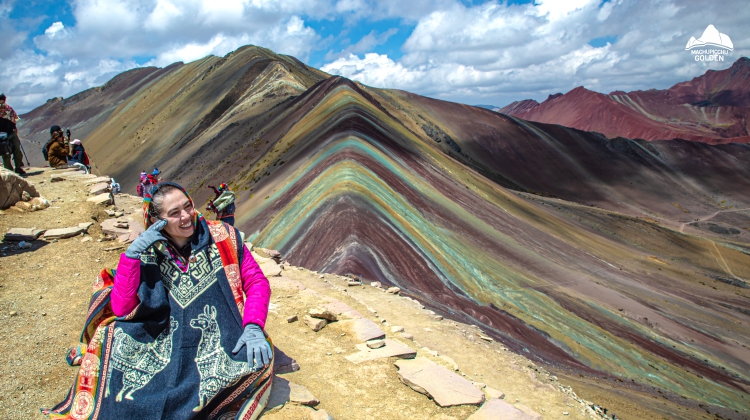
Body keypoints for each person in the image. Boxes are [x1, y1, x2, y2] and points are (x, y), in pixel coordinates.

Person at [43, 182, 273, 419]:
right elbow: (122, 308)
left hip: (217, 335)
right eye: (174, 213)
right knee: (112, 348)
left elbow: (256, 281)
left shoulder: (224, 237)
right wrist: (131, 257)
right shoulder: (148, 250)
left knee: (249, 360)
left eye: (188, 206)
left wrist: (253, 326)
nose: (186, 216)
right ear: (156, 220)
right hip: (160, 338)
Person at [0, 93, 25, 175]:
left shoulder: (9, 109)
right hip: (1, 135)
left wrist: (15, 130)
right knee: (5, 151)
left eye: (2, 101)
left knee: (17, 149)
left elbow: (14, 119)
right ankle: (8, 170)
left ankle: (18, 167)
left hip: (11, 132)